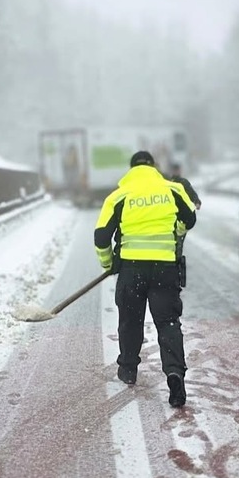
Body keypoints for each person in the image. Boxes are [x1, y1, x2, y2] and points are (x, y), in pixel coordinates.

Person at [94, 150, 198, 407]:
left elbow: (101, 236)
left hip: (132, 270)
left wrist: (108, 263)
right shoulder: (172, 189)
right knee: (168, 323)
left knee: (130, 320)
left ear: (131, 170)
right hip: (165, 268)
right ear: (154, 167)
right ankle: (175, 373)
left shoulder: (119, 196)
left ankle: (128, 368)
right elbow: (190, 218)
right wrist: (176, 232)